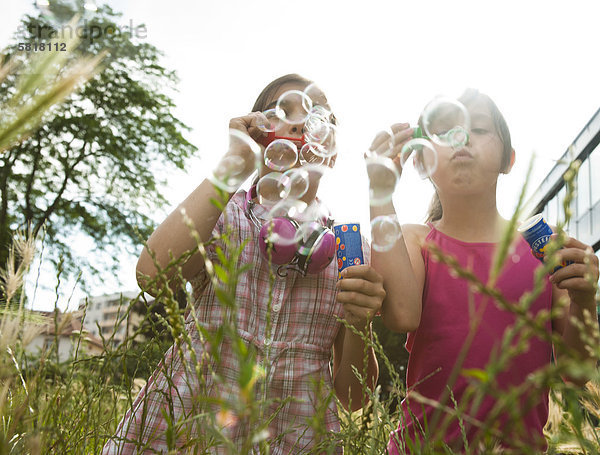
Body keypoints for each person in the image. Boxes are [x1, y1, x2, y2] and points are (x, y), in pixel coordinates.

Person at [102, 74, 385, 454]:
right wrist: (234, 163)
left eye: (319, 117)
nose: (302, 122)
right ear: (260, 134)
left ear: (331, 152)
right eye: (285, 111)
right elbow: (153, 275)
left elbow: (354, 398)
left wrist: (360, 323)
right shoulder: (220, 216)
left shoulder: (349, 250)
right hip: (186, 434)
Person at [368, 89, 599, 453]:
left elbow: (576, 372)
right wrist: (380, 193)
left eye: (478, 128)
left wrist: (585, 299)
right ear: (422, 162)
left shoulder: (544, 246)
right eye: (445, 132)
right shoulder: (416, 240)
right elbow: (401, 314)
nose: (462, 139)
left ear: (508, 159)